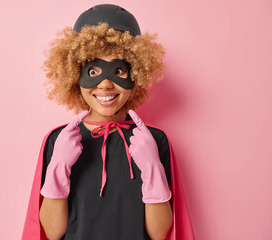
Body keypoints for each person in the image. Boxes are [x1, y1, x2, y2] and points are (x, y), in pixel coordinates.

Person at [22, 4, 194, 240]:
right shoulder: (58, 140)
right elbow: (51, 233)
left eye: (118, 71)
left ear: (136, 75)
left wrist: (153, 168)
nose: (105, 84)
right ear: (74, 75)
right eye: (93, 71)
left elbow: (159, 233)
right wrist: (58, 167)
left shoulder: (154, 140)